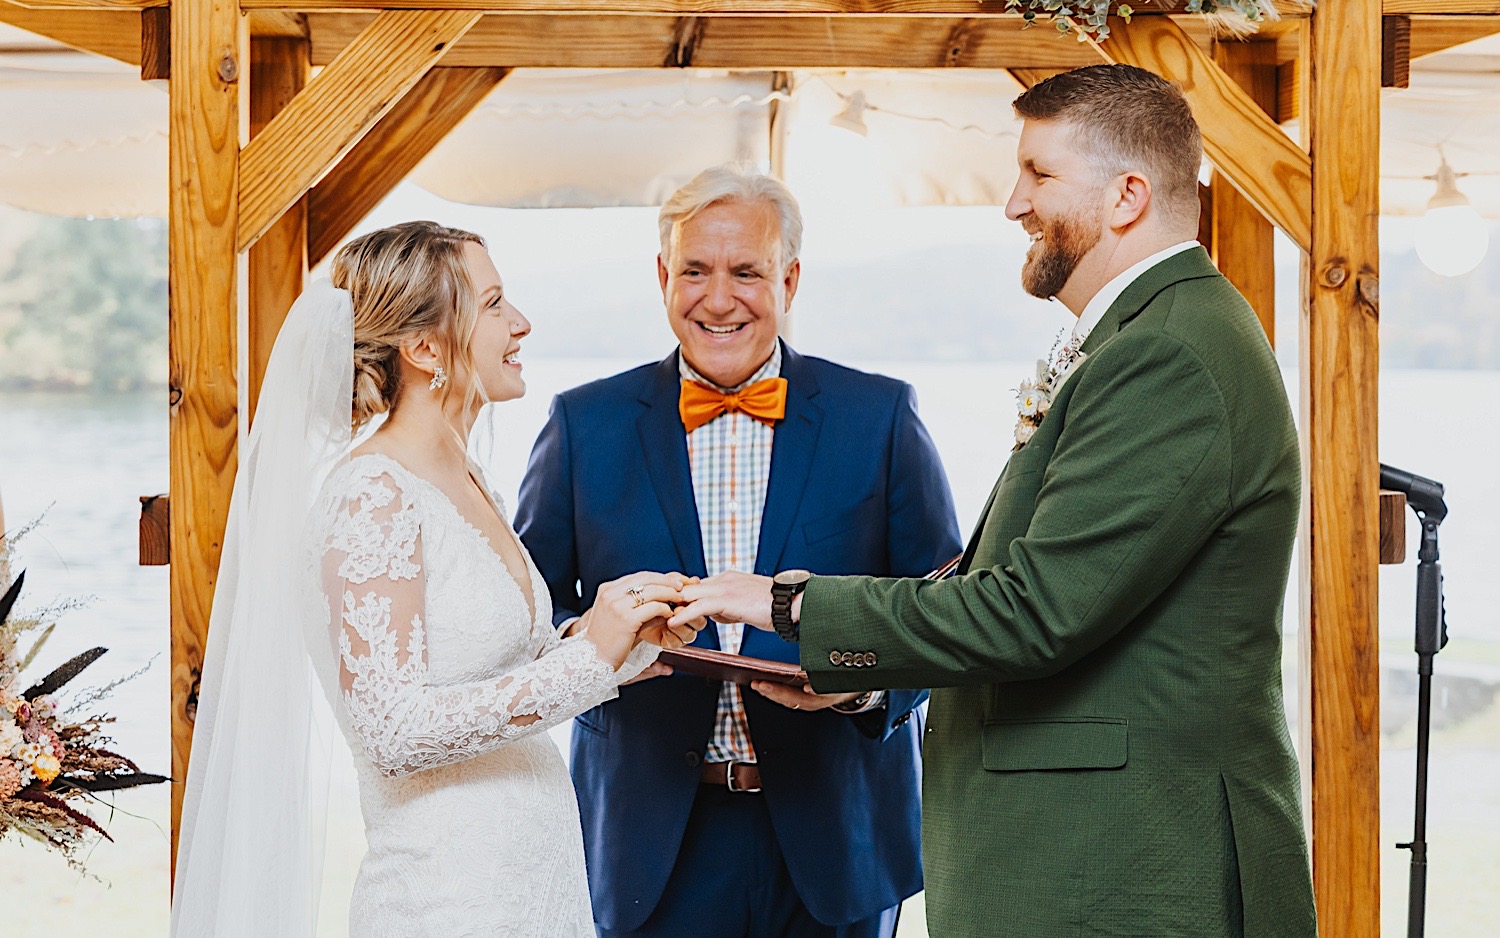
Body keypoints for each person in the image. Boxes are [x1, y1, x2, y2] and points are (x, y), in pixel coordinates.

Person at [670, 66, 1319, 937]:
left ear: (1127, 196)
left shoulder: (1169, 354)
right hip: (1088, 857)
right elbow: (1016, 580)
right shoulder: (1143, 337)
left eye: (1039, 175)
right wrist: (859, 674)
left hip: (1127, 866)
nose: (1014, 204)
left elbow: (1033, 610)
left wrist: (788, 602)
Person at [171, 221, 704, 936]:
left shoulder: (465, 477)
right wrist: (590, 657)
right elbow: (392, 732)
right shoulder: (372, 497)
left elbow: (495, 670)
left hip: (533, 884)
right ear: (424, 349)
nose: (521, 323)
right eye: (492, 304)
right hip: (448, 899)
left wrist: (625, 640)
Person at [515, 165, 961, 938]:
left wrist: (859, 689)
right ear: (663, 276)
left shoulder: (880, 416)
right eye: (695, 270)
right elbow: (530, 609)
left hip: (837, 842)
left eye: (746, 272)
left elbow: (944, 608)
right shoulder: (583, 423)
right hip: (645, 839)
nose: (719, 299)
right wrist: (597, 643)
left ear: (789, 279)